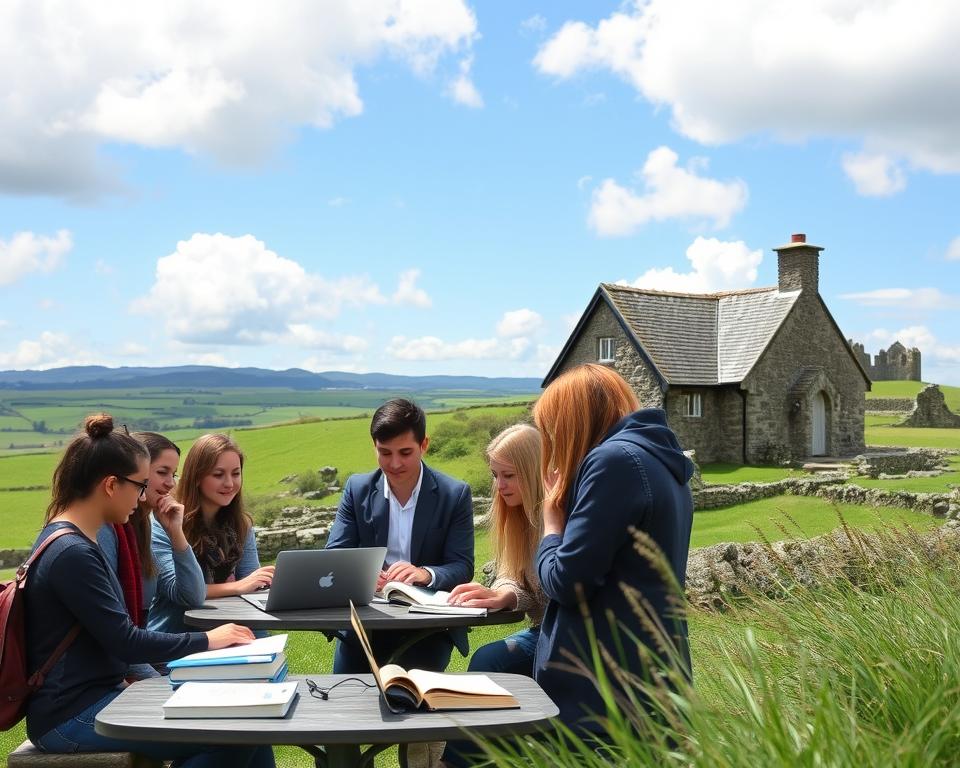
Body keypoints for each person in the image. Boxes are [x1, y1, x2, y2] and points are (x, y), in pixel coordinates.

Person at [24, 413, 275, 767]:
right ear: (111, 485)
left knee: (250, 728)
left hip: (101, 696)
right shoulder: (73, 553)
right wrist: (209, 640)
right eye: (141, 485)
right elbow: (126, 641)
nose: (147, 494)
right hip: (71, 717)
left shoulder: (78, 540)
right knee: (231, 736)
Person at [532, 364, 694, 738]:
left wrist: (552, 523)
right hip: (649, 674)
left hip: (606, 692)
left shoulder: (612, 462)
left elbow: (567, 582)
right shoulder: (662, 461)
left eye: (554, 429)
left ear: (573, 423)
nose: (554, 442)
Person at [326, 398, 475, 674]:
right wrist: (363, 574)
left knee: (407, 701)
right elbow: (335, 554)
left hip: (427, 625)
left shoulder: (454, 494)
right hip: (366, 620)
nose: (394, 464)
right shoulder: (357, 489)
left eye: (405, 453)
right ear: (374, 447)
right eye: (385, 453)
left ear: (424, 445)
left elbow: (462, 566)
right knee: (346, 697)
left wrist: (424, 574)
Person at [442, 423, 545, 767]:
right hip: (541, 630)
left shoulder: (556, 518)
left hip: (564, 633)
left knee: (490, 663)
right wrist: (504, 593)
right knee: (487, 661)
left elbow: (555, 587)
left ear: (533, 472)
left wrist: (513, 595)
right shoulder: (515, 517)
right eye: (495, 475)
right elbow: (511, 574)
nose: (500, 487)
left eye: (509, 476)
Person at [151, 433, 274, 633]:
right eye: (218, 475)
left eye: (236, 473)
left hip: (233, 628)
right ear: (197, 477)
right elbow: (181, 593)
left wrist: (264, 582)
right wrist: (238, 586)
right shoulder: (163, 524)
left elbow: (250, 584)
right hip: (179, 635)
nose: (229, 483)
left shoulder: (241, 525)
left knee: (271, 655)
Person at [96, 432, 205, 647]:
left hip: (141, 654)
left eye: (173, 474)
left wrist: (176, 531)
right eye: (162, 472)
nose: (170, 484)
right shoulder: (108, 531)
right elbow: (115, 634)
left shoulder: (146, 527)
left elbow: (192, 596)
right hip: (128, 661)